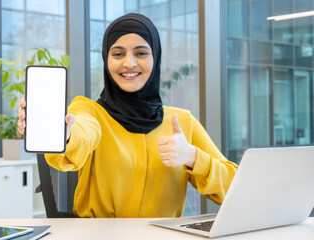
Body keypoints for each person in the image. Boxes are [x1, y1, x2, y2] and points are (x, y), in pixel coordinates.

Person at [17, 13, 238, 218]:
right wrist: (65, 133)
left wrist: (193, 157)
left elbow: (236, 189)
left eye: (141, 53)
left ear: (155, 58)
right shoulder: (89, 112)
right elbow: (83, 132)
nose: (129, 63)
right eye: (118, 53)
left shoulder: (181, 122)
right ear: (106, 59)